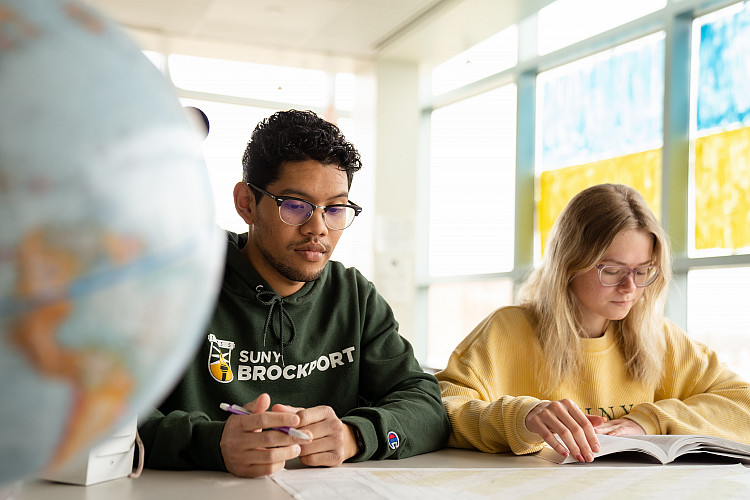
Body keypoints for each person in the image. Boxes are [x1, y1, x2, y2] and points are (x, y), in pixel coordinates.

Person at [138, 109, 450, 478]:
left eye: (335, 209)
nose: (318, 228)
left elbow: (427, 407)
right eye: (296, 206)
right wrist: (214, 443)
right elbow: (103, 413)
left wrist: (354, 435)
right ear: (246, 204)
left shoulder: (353, 297)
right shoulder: (176, 283)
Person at [436, 183, 750, 463]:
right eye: (612, 270)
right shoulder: (507, 331)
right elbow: (439, 408)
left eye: (643, 271)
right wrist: (521, 416)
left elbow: (743, 404)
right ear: (570, 263)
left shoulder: (659, 337)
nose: (630, 288)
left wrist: (650, 421)